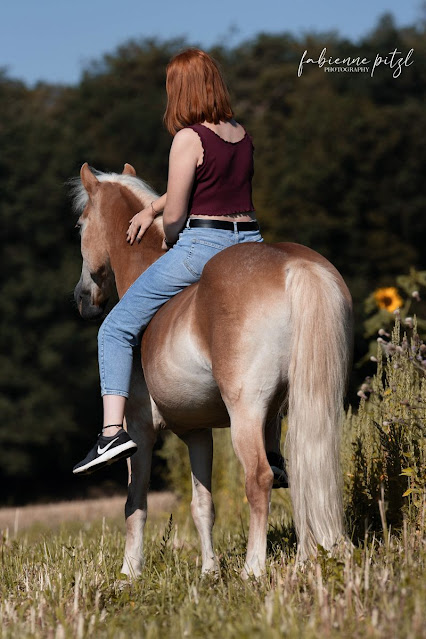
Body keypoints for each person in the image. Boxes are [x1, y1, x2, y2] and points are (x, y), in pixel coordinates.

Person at [72, 48, 287, 488]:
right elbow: (210, 185)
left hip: (203, 245)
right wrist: (149, 206)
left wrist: (167, 231)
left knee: (113, 328)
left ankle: (112, 433)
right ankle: (274, 449)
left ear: (180, 91)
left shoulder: (188, 138)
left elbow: (179, 214)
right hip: (250, 239)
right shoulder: (241, 135)